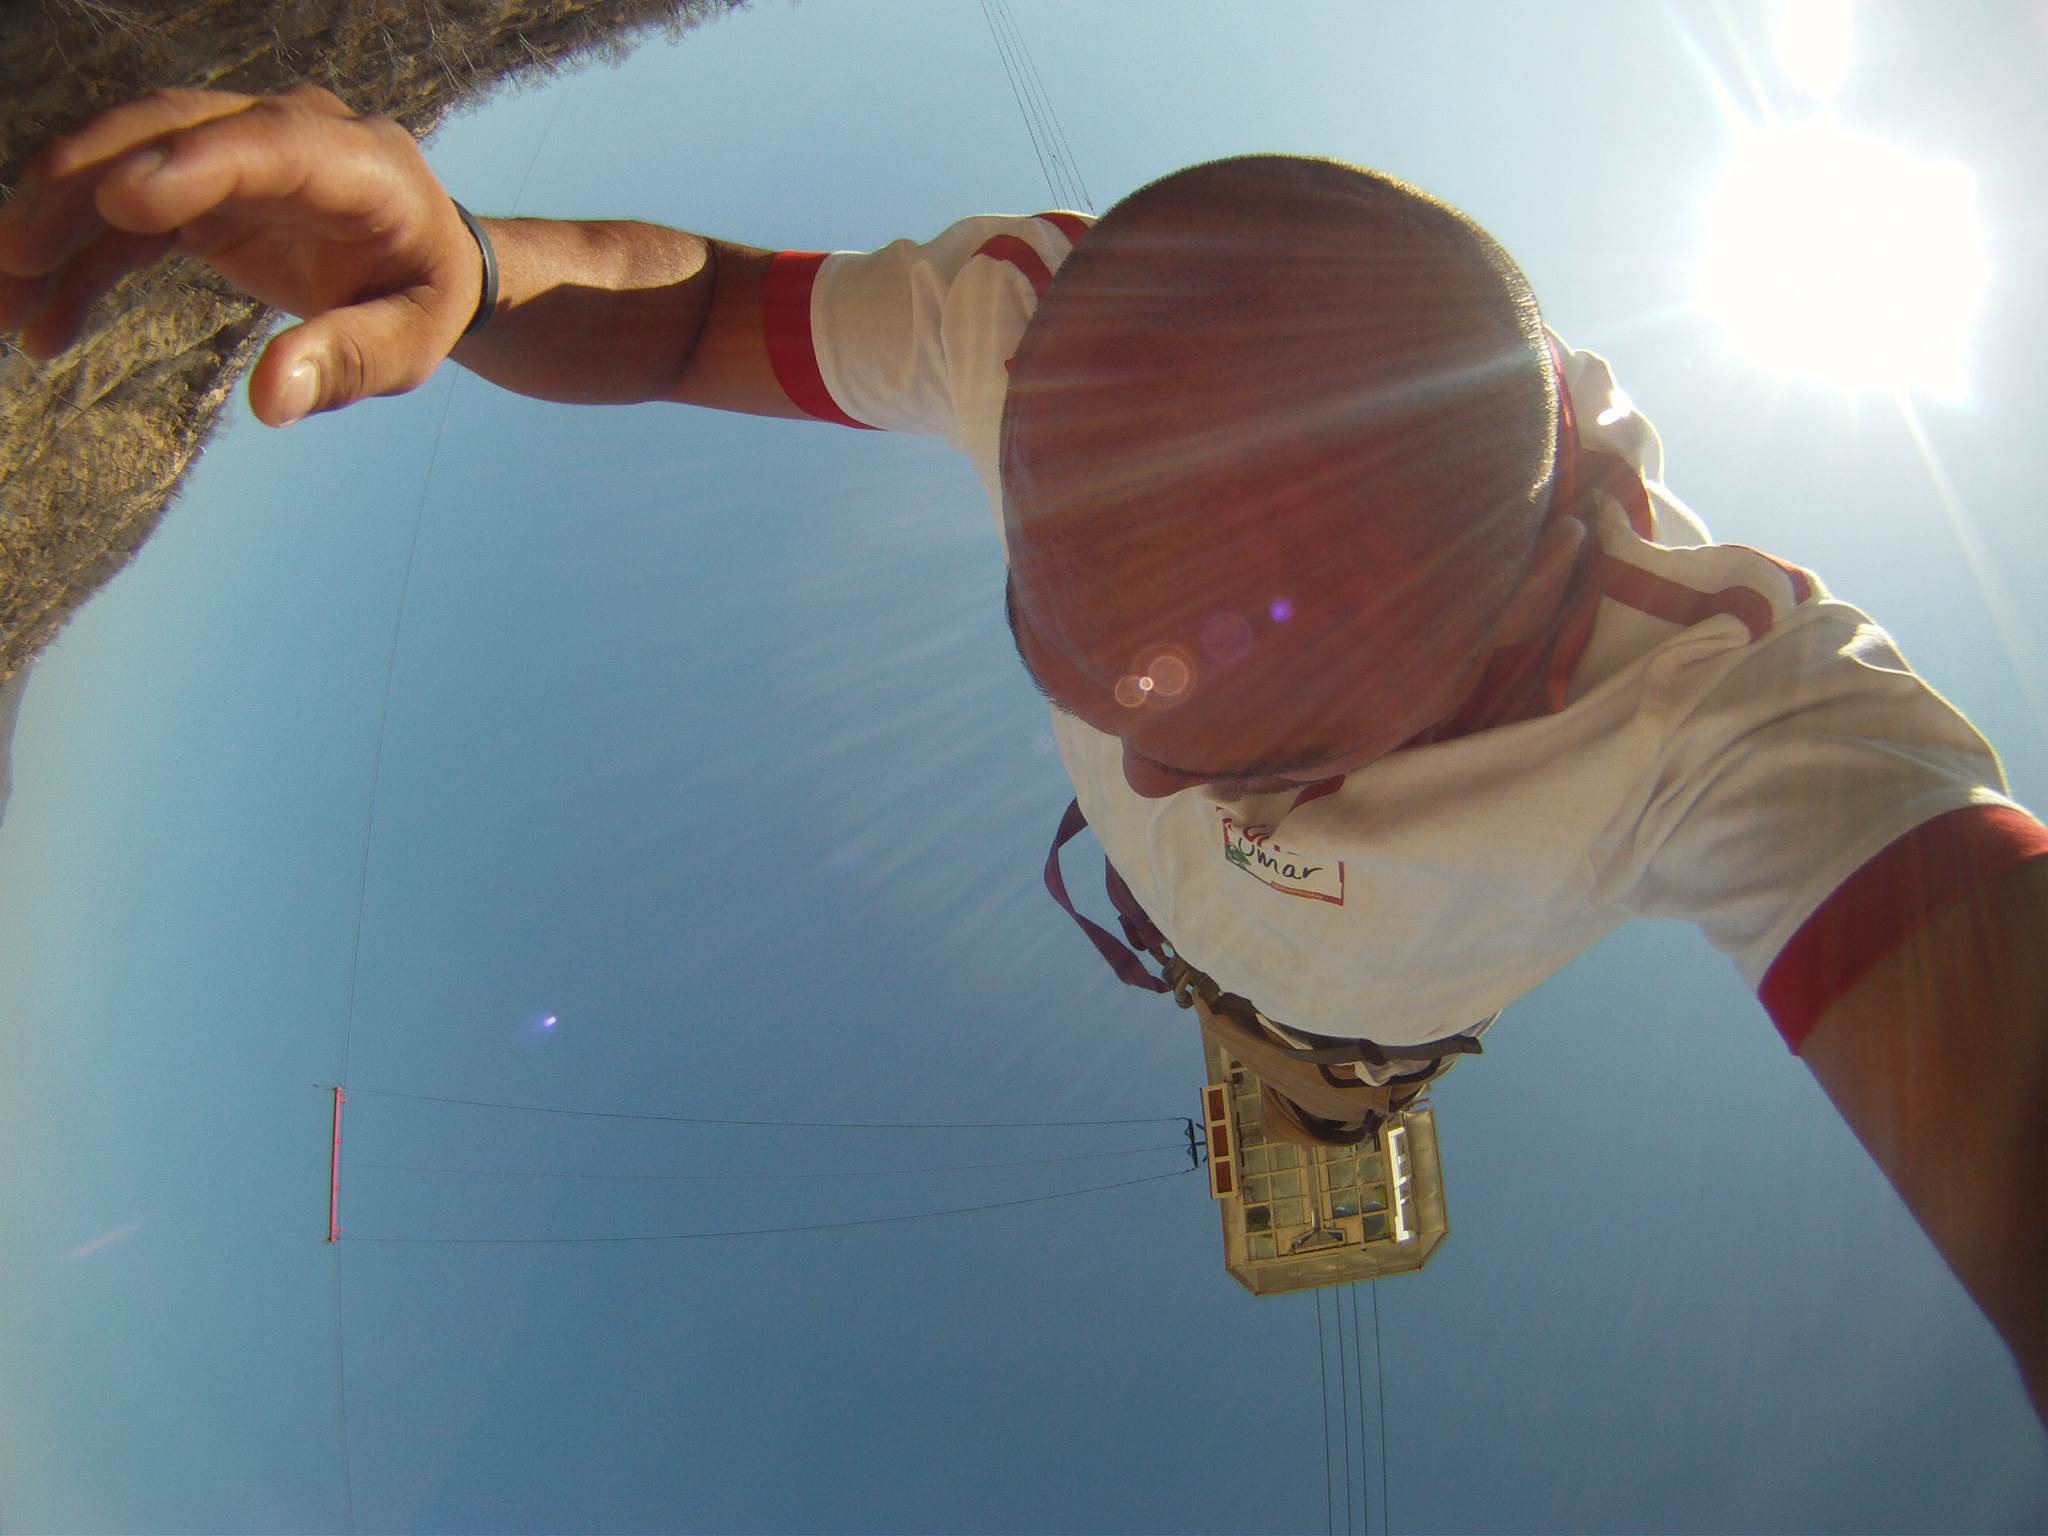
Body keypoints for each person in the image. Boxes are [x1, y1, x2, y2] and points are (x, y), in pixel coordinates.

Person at [2, 85, 2041, 1421]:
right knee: (1261, 1019)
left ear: (1490, 662)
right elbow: (706, 311)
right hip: (1264, 977)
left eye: (1259, 747)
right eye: (1056, 632)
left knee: (1326, 1067)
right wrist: (477, 254)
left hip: (1353, 1012)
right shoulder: (1050, 336)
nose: (1142, 777)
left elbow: (1969, 961)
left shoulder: (1727, 713)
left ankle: (1325, 1083)